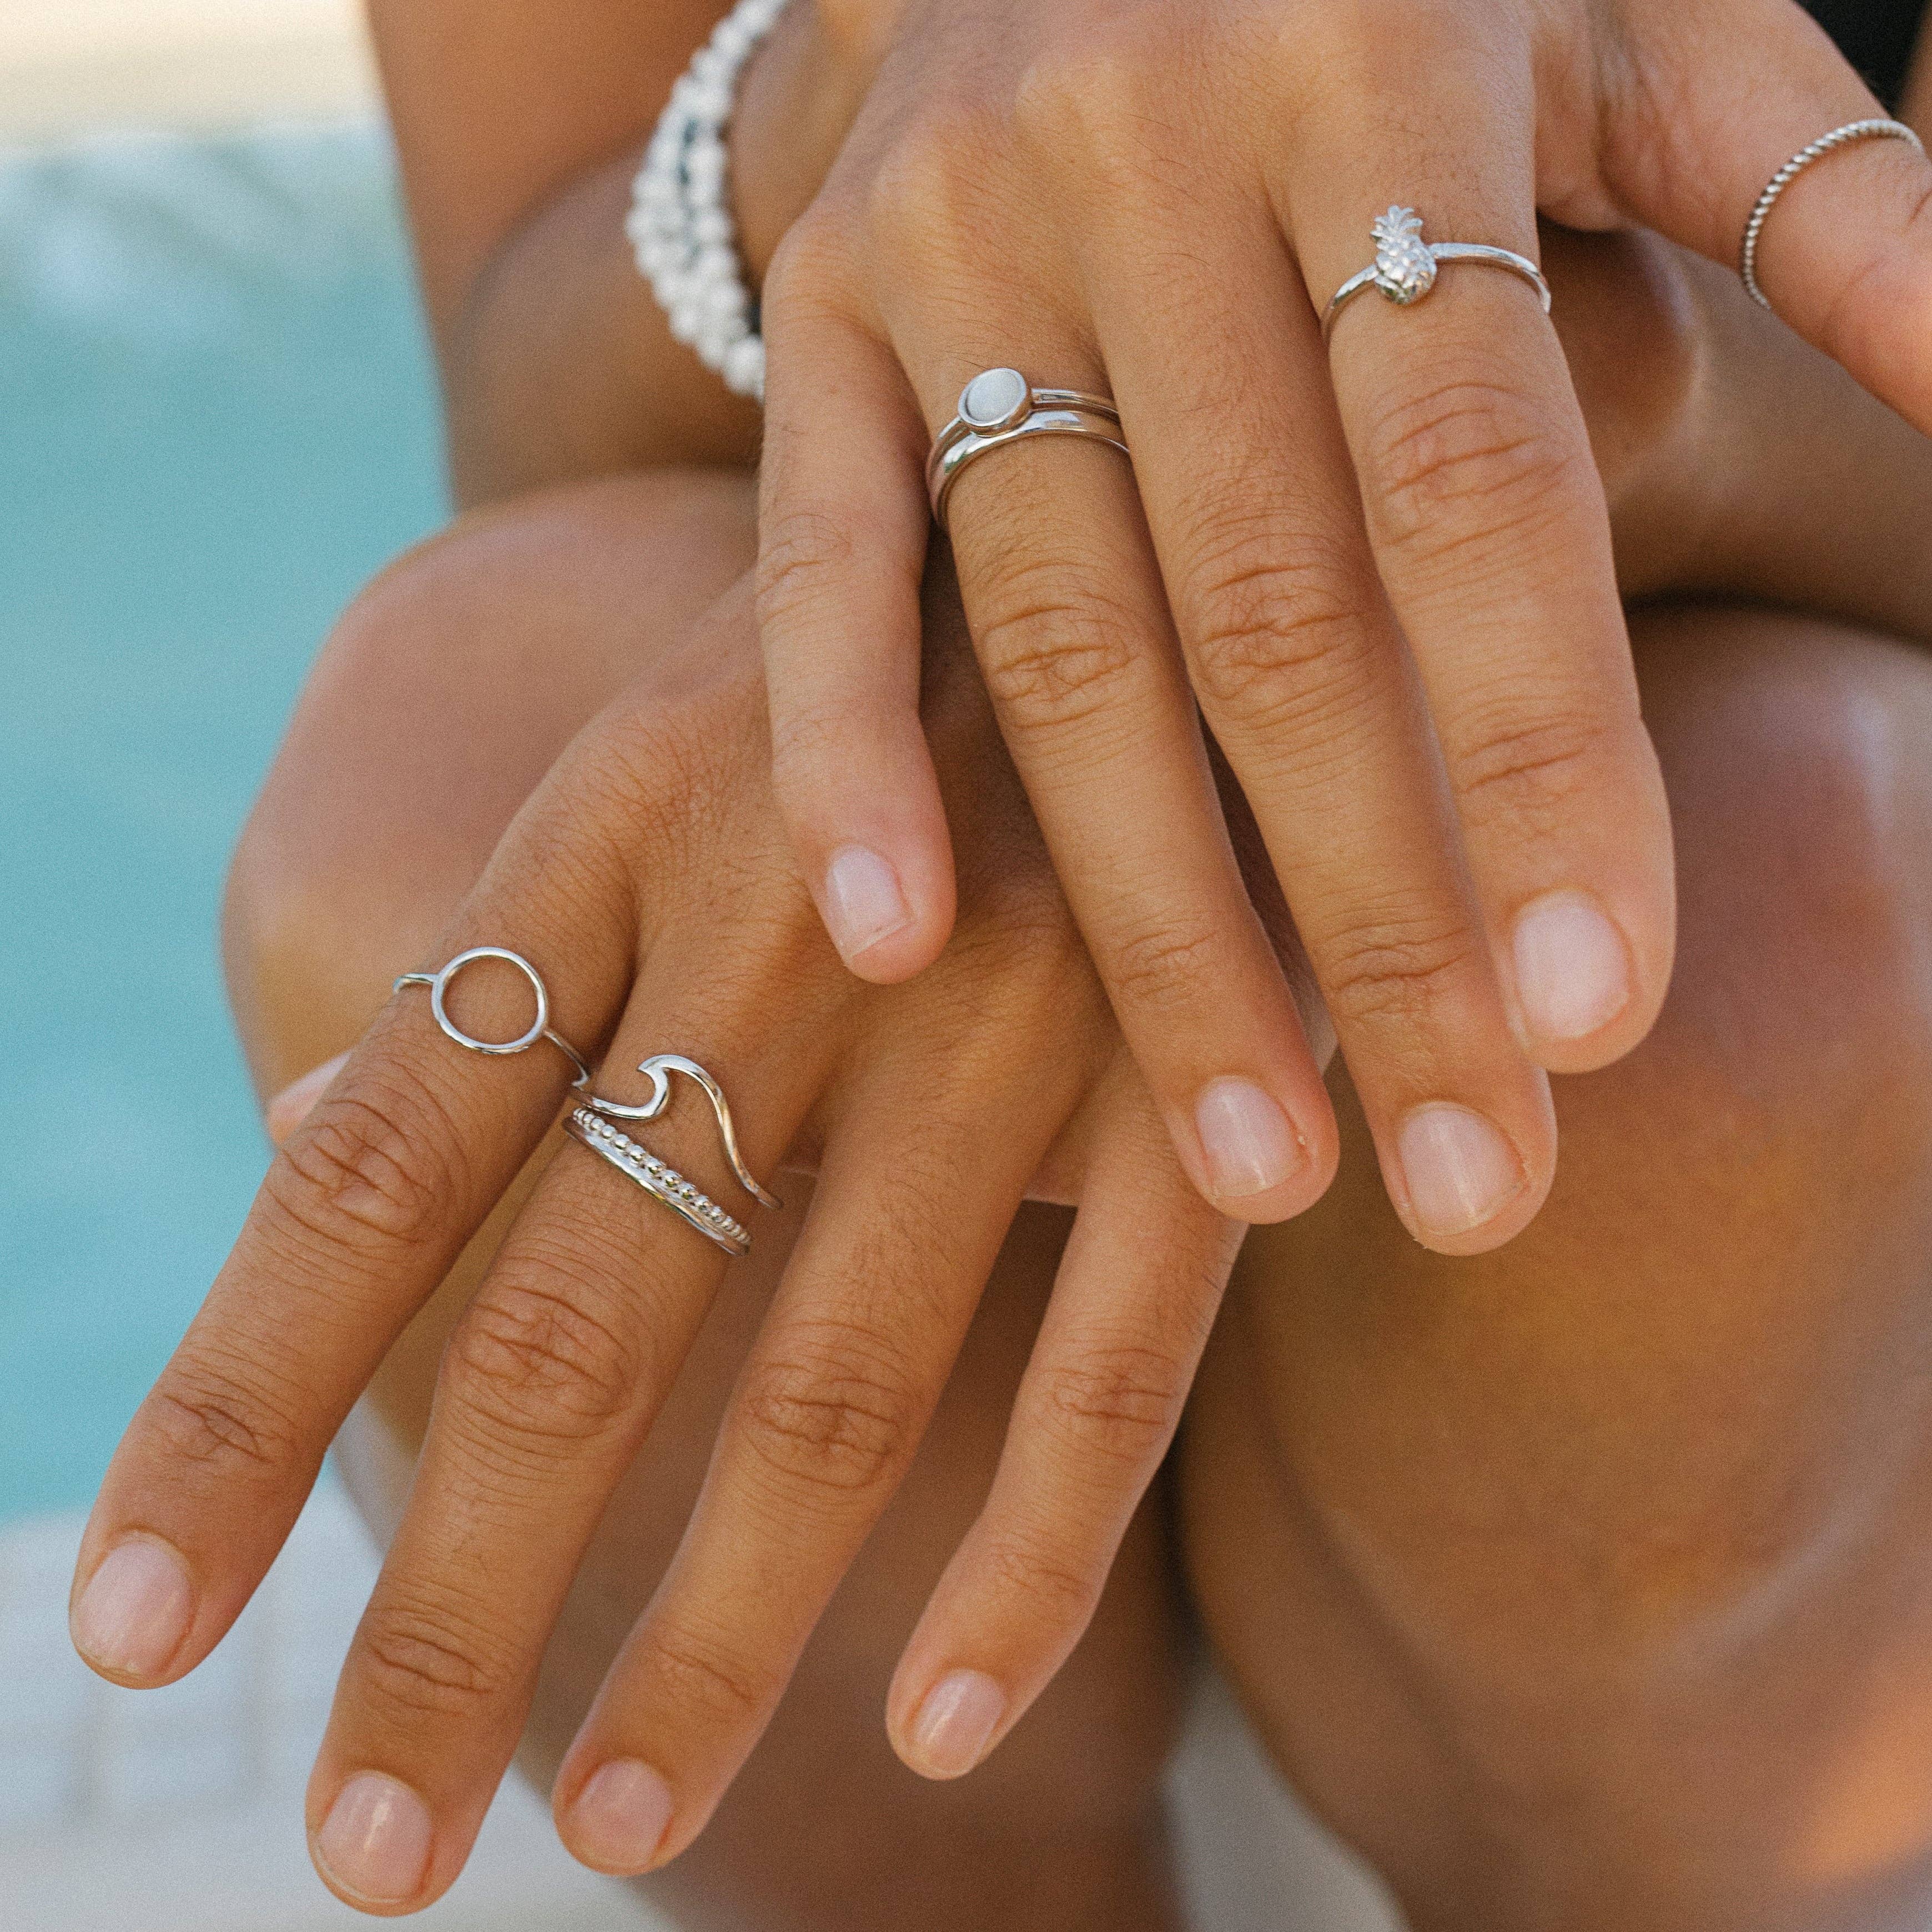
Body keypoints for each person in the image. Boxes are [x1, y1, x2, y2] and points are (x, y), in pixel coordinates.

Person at [69, 2, 1932, 1925]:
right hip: (835, 526)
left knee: (1759, 951)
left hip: (1750, 586)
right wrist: (858, 122)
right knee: (447, 805)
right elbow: (533, 380)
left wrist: (1504, 418)